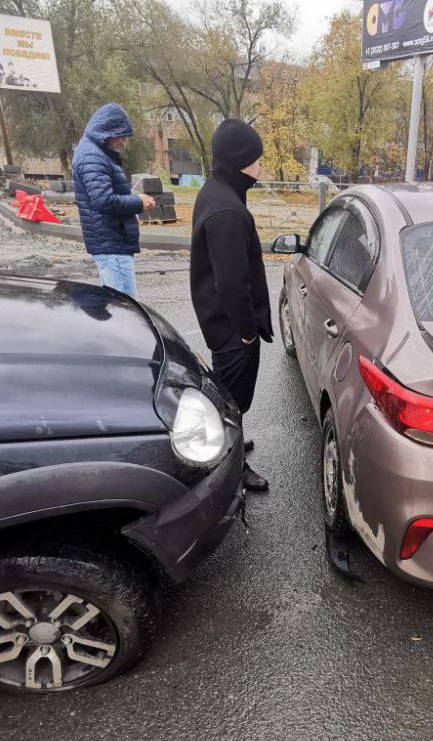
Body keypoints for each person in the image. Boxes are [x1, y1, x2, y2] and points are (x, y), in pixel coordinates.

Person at [189, 119, 273, 493]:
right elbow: (232, 284)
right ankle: (232, 468)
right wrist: (246, 332)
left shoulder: (217, 191)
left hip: (218, 323)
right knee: (230, 405)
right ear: (242, 160)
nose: (261, 165)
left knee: (228, 400)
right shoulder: (229, 212)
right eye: (257, 158)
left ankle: (233, 442)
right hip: (231, 329)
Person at [71, 103, 154, 297]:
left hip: (112, 244)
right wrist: (138, 202)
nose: (123, 142)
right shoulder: (92, 156)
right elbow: (104, 201)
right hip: (112, 245)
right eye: (122, 136)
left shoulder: (94, 152)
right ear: (108, 131)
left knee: (119, 308)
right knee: (125, 311)